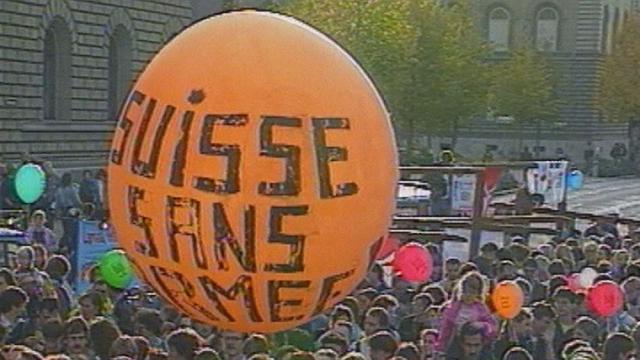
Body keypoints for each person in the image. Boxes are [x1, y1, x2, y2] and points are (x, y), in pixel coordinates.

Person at [435, 272, 497, 353]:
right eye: (466, 291)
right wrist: (440, 348)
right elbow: (445, 329)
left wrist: (481, 326)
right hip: (455, 344)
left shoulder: (481, 308)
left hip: (476, 345)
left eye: (473, 292)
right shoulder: (452, 307)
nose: (469, 295)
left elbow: (492, 327)